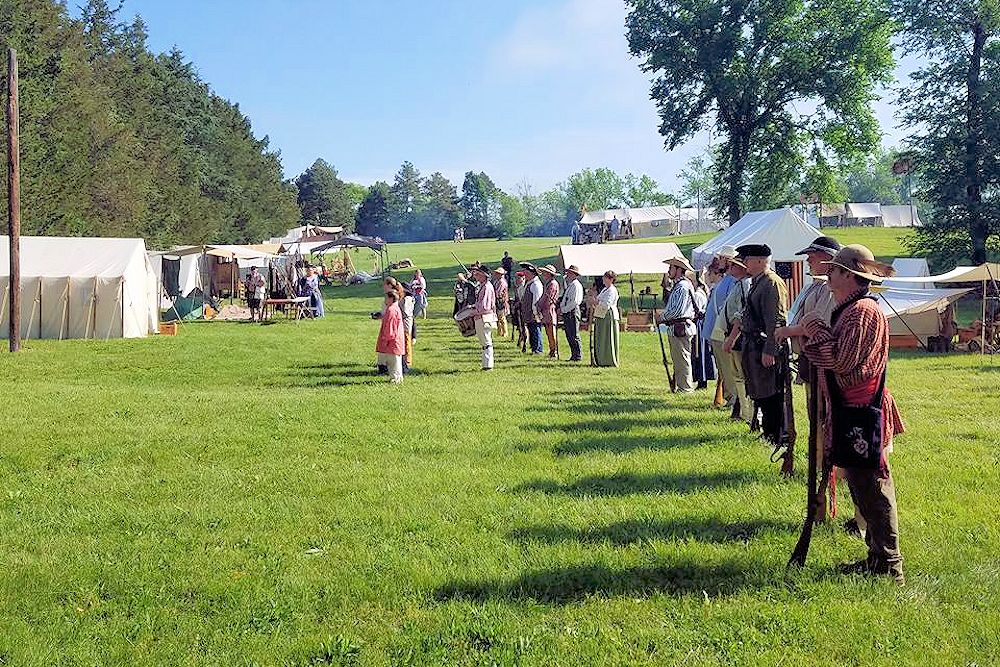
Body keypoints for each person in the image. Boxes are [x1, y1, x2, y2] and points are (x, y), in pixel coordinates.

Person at [800, 244, 905, 584]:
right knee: (862, 486)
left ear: (849, 275)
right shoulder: (854, 309)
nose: (828, 275)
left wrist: (813, 331)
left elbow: (842, 362)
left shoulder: (861, 312)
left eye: (834, 270)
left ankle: (889, 565)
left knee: (872, 486)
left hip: (863, 408)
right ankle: (878, 558)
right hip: (853, 408)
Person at [775, 235, 841, 518]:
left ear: (828, 258)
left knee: (823, 423)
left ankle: (826, 475)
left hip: (821, 363)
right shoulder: (815, 286)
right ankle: (817, 467)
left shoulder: (828, 289)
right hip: (809, 361)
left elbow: (818, 327)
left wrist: (788, 332)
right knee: (815, 420)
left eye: (813, 255)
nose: (808, 259)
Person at [729, 244, 788, 445]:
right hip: (754, 344)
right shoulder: (758, 281)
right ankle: (768, 431)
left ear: (761, 261)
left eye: (747, 259)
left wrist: (770, 350)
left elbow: (776, 319)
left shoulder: (771, 283)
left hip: (763, 345)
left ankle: (775, 434)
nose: (744, 263)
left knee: (770, 393)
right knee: (760, 392)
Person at [714, 254, 754, 422]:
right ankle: (743, 412)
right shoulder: (739, 284)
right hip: (732, 334)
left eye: (734, 265)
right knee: (737, 376)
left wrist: (732, 337)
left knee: (742, 376)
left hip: (738, 336)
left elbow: (741, 314)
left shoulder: (745, 284)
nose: (730, 267)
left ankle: (748, 414)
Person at [704, 246, 739, 402]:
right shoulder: (726, 279)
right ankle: (729, 396)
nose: (718, 261)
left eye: (721, 258)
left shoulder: (732, 281)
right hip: (716, 330)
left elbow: (729, 307)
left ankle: (732, 398)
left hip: (722, 330)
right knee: (723, 368)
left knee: (728, 368)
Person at [659, 256, 698, 393]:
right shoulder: (681, 285)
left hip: (680, 327)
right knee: (680, 359)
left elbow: (677, 311)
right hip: (678, 327)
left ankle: (685, 388)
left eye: (671, 267)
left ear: (678, 269)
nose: (669, 270)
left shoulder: (681, 286)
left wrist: (662, 317)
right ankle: (683, 386)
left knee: (682, 360)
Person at [471, 265, 498, 370]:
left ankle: (488, 365)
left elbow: (484, 306)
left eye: (478, 274)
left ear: (483, 275)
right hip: (482, 316)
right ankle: (486, 364)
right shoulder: (484, 286)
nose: (476, 275)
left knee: (486, 342)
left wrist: (473, 310)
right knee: (484, 341)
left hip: (484, 317)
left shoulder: (487, 287)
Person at [691, 269, 714, 389]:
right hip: (698, 325)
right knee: (697, 354)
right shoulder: (698, 292)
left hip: (699, 326)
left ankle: (702, 381)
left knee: (701, 354)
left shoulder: (698, 294)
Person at [376, 291, 405, 384]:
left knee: (393, 361)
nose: (385, 300)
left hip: (392, 340)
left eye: (386, 298)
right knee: (395, 360)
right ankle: (397, 378)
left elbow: (390, 327)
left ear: (391, 298)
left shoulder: (391, 310)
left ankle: (396, 379)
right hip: (396, 339)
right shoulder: (395, 308)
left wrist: (386, 339)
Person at [592, 271, 621, 367]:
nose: (603, 279)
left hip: (608, 315)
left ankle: (608, 360)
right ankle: (601, 359)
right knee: (601, 337)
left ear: (611, 279)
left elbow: (607, 304)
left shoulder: (612, 290)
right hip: (601, 315)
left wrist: (597, 302)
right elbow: (599, 299)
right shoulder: (605, 289)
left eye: (606, 278)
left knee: (608, 337)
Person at [560, 264, 584, 362]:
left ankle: (577, 355)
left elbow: (574, 302)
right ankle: (574, 355)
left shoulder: (575, 285)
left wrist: (564, 309)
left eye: (569, 273)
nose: (567, 274)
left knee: (574, 334)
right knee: (569, 334)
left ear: (574, 274)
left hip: (572, 311)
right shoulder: (571, 285)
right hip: (568, 311)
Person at [537, 264, 561, 358]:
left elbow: (548, 297)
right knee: (548, 331)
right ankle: (552, 350)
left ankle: (554, 351)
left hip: (549, 309)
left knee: (551, 331)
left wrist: (541, 305)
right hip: (546, 310)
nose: (544, 274)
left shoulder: (552, 284)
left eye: (545, 273)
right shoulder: (549, 283)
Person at [519, 263, 544, 354]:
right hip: (530, 313)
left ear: (531, 273)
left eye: (526, 271)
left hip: (534, 313)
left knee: (535, 330)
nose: (524, 273)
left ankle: (537, 349)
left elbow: (536, 300)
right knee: (532, 330)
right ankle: (534, 348)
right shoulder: (530, 283)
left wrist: (535, 313)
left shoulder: (536, 284)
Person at [400, 282, 415, 373]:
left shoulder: (407, 299)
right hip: (405, 322)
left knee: (406, 342)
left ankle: (407, 361)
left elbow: (405, 311)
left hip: (406, 322)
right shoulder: (406, 298)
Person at [493, 267, 509, 339]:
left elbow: (498, 292)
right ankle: (499, 332)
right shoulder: (496, 281)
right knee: (498, 318)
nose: (496, 274)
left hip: (501, 301)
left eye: (497, 273)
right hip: (497, 301)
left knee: (502, 317)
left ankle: (505, 332)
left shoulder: (502, 282)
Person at [513, 271, 528, 351]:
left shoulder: (523, 287)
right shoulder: (518, 287)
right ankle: (521, 339)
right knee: (520, 326)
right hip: (519, 308)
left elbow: (522, 299)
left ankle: (524, 340)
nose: (517, 280)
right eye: (517, 278)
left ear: (523, 278)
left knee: (523, 326)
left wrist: (517, 303)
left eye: (519, 278)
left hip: (523, 308)